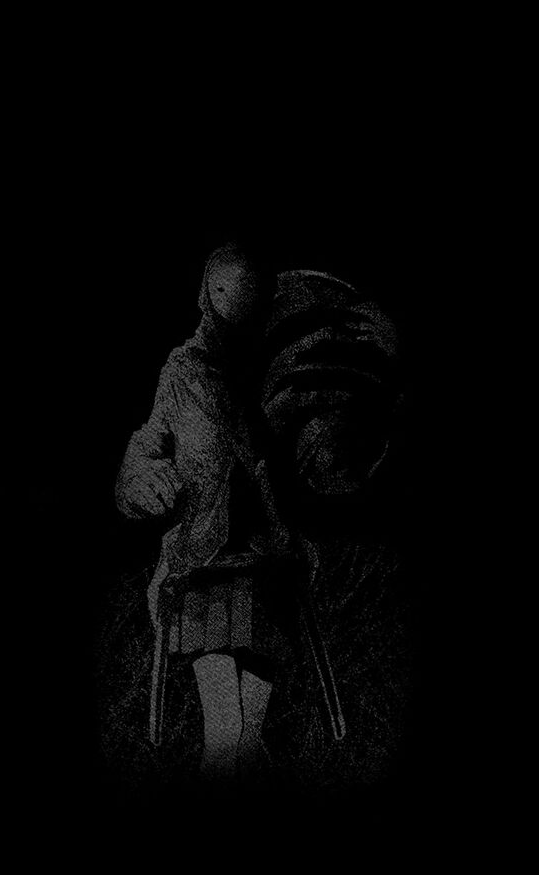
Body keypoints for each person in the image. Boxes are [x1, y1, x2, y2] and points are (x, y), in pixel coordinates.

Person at [114, 244, 400, 782]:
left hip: (267, 577)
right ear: (208, 299)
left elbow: (292, 472)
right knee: (226, 734)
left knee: (245, 740)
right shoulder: (182, 374)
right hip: (206, 574)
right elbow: (148, 445)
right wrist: (138, 479)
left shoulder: (266, 376)